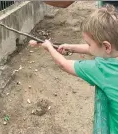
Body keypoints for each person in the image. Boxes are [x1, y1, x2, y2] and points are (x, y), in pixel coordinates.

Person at [29, 4, 118, 134]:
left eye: (89, 43)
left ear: (107, 46)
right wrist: (70, 46)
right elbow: (96, 49)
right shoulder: (112, 50)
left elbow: (63, 64)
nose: (88, 46)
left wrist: (49, 47)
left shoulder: (102, 69)